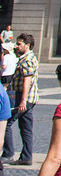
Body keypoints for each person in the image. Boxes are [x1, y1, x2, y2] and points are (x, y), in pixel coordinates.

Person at [3, 33, 39, 166]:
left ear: (27, 45)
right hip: (29, 98)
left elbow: (27, 81)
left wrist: (23, 101)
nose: (16, 47)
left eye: (19, 44)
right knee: (26, 128)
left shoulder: (27, 60)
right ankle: (26, 156)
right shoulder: (28, 58)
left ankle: (8, 154)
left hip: (24, 98)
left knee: (6, 122)